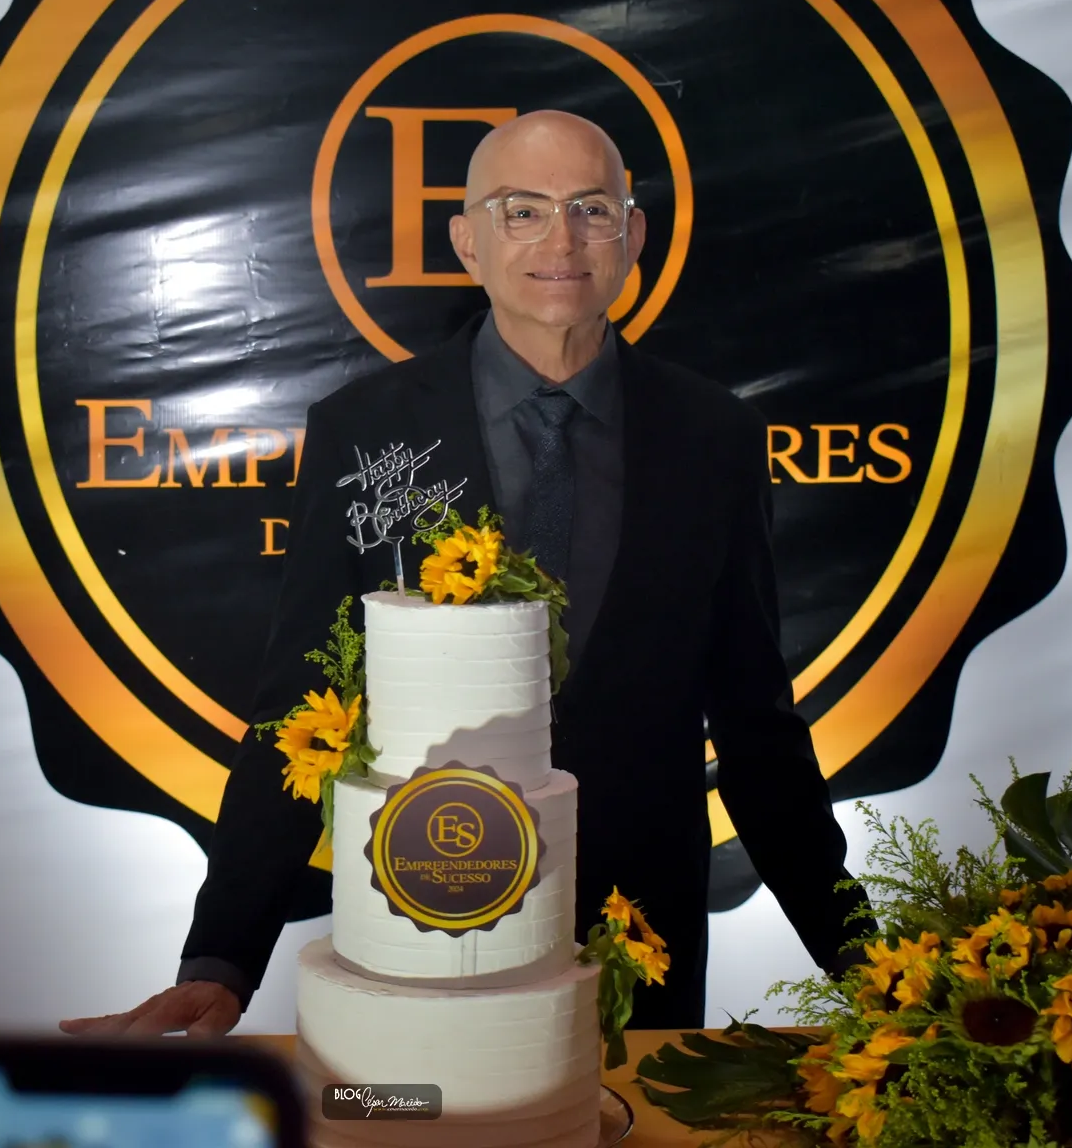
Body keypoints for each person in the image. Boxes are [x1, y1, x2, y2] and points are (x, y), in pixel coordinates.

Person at [60, 110, 872, 1038]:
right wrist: (222, 960)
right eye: (522, 211)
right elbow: (304, 712)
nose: (561, 242)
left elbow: (757, 725)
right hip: (423, 927)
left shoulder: (714, 435)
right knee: (398, 1110)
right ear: (466, 243)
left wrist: (863, 962)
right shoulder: (365, 430)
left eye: (592, 209)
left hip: (638, 956)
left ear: (634, 235)